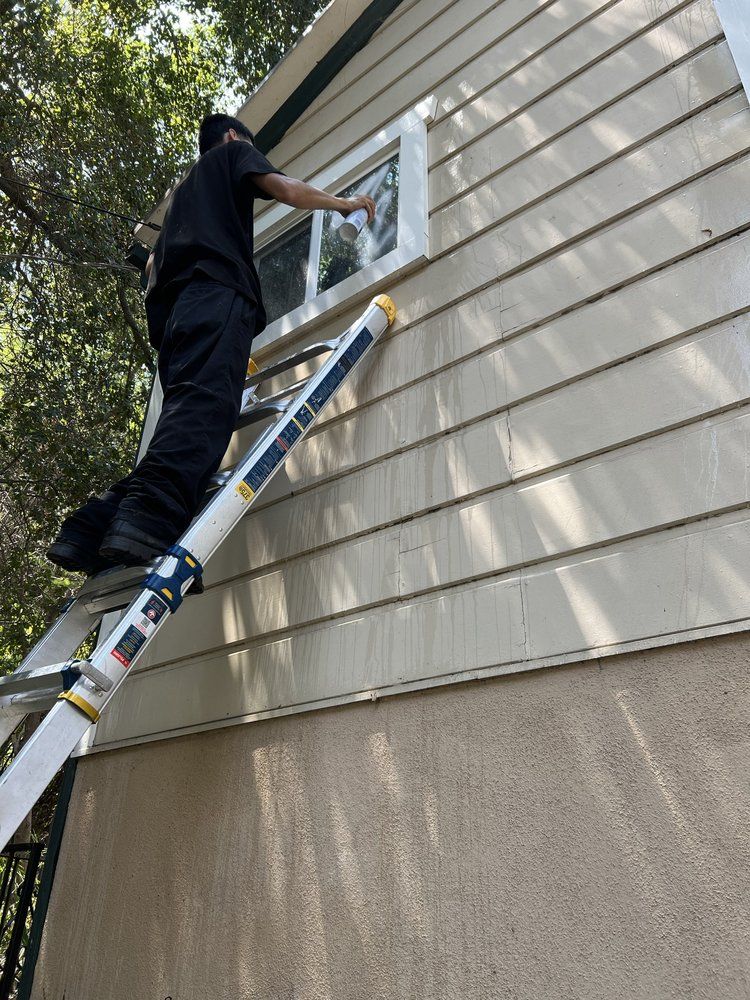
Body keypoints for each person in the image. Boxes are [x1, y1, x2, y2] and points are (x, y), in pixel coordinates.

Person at [47, 112, 376, 573]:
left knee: (184, 423)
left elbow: (149, 273)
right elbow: (287, 190)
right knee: (203, 417)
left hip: (175, 321)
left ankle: (89, 529)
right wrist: (344, 203)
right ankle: (143, 523)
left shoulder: (182, 199)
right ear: (230, 137)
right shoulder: (231, 153)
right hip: (216, 296)